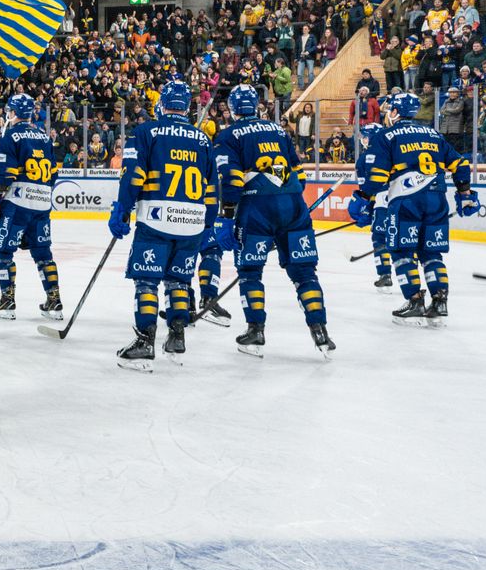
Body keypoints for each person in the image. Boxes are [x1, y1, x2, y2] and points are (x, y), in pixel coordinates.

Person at [108, 80, 221, 369]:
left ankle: (145, 341)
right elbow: (212, 188)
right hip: (192, 224)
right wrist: (208, 224)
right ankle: (177, 337)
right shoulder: (203, 139)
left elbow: (133, 175)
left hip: (157, 219)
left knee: (147, 280)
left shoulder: (146, 132)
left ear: (162, 104)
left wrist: (122, 209)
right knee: (179, 280)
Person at [215, 84, 335, 356]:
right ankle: (320, 331)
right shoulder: (278, 130)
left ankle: (255, 330)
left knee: (250, 272)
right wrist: (286, 207)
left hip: (256, 209)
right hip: (293, 205)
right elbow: (299, 173)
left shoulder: (228, 135)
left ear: (232, 109)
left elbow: (232, 181)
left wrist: (226, 216)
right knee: (305, 273)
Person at [355, 91, 477, 324]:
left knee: (401, 253)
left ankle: (414, 300)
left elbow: (377, 176)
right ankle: (440, 301)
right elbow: (460, 165)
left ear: (395, 112)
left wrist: (363, 198)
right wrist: (465, 194)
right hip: (437, 200)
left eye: (390, 108)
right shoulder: (433, 134)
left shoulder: (387, 135)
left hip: (406, 200)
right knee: (431, 253)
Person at [0, 94, 62, 321]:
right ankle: (54, 301)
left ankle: (7, 300)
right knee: (42, 252)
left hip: (18, 203)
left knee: (2, 250)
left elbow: (5, 173)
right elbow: (54, 173)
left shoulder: (11, 135)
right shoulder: (45, 136)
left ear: (14, 112)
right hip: (42, 202)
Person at [349, 107, 397, 292]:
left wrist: (366, 210)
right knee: (397, 238)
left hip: (385, 202)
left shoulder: (364, 159)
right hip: (397, 201)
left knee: (380, 237)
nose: (363, 140)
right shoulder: (392, 151)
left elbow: (367, 190)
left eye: (365, 136)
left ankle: (385, 273)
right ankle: (398, 273)